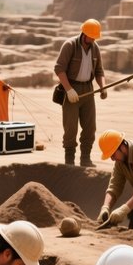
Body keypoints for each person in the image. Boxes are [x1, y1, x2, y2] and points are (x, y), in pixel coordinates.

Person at [54, 18, 107, 167]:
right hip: (71, 89)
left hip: (88, 91)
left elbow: (99, 71)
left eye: (95, 37)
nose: (93, 39)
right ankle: (69, 162)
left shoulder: (95, 48)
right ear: (84, 33)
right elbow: (59, 69)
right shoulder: (70, 45)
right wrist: (69, 90)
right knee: (71, 128)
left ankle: (85, 159)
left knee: (90, 127)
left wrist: (103, 87)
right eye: (92, 36)